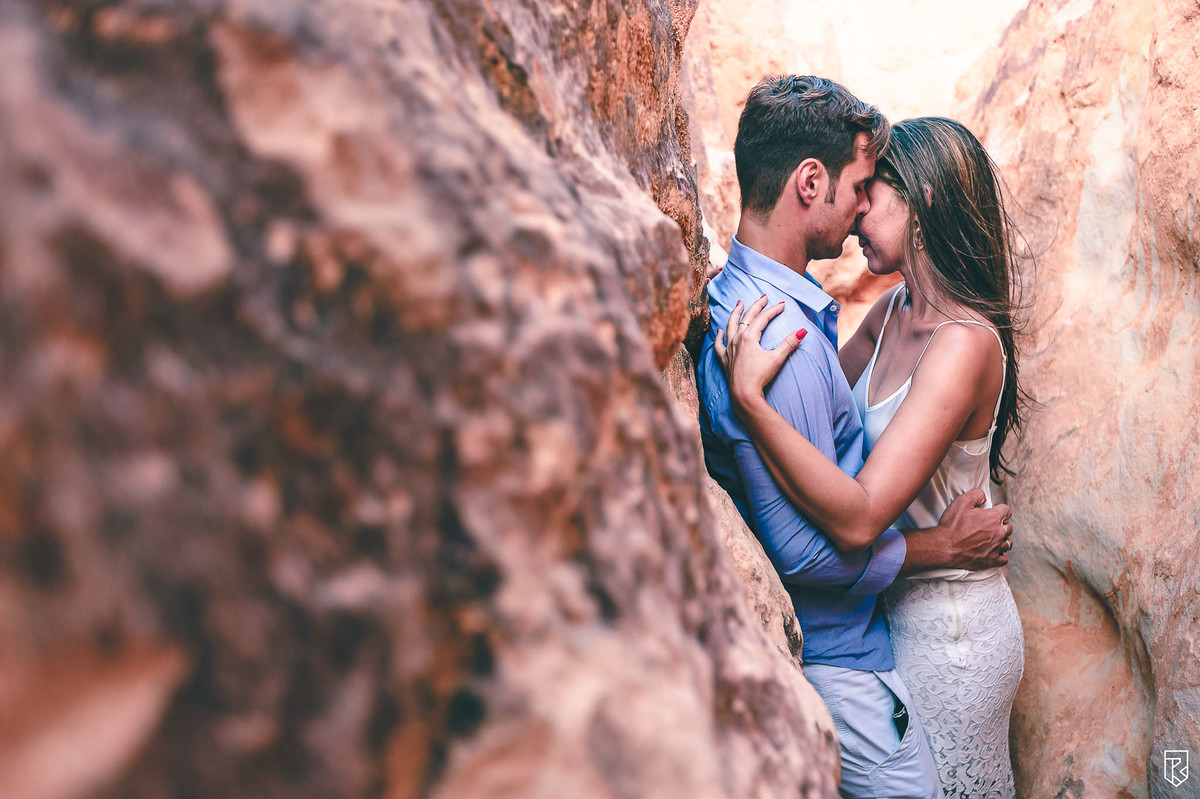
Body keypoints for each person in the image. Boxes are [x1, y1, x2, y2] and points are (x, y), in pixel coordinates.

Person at [697, 75, 1013, 799]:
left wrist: (752, 404)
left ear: (920, 204)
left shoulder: (963, 344)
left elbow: (861, 507)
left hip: (950, 628)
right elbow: (820, 414)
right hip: (885, 618)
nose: (860, 207)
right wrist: (731, 310)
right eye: (858, 188)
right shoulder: (885, 312)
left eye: (874, 191)